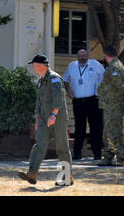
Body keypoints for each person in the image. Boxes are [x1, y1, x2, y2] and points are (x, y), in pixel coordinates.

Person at [18, 54, 73, 186]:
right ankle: (32, 173)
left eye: (34, 64)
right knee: (39, 146)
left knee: (62, 148)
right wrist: (38, 119)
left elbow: (58, 97)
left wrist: (53, 115)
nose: (33, 67)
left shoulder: (54, 78)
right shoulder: (40, 81)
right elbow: (39, 102)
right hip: (43, 120)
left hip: (57, 118)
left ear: (41, 65)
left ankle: (66, 177)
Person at [63, 49, 105, 160]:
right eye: (80, 56)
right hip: (78, 101)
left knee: (96, 128)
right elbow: (65, 80)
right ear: (77, 57)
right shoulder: (72, 66)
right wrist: (68, 91)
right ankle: (77, 154)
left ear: (88, 56)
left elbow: (105, 78)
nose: (83, 58)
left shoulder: (95, 64)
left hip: (93, 100)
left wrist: (102, 92)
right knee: (79, 128)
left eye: (84, 56)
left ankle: (97, 154)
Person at [97, 45, 124, 166]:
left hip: (114, 105)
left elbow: (120, 85)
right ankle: (108, 157)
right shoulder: (116, 65)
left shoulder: (114, 67)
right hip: (110, 105)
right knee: (108, 131)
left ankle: (121, 158)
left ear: (105, 55)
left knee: (114, 131)